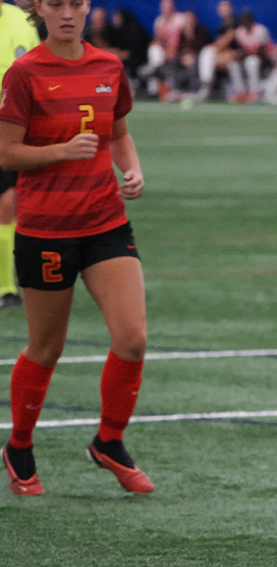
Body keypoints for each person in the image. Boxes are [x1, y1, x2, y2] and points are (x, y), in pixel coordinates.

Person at [0, 0, 153, 496]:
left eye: (77, 3)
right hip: (45, 230)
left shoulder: (109, 66)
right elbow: (5, 151)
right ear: (40, 10)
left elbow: (119, 133)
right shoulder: (24, 73)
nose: (68, 13)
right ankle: (19, 445)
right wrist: (59, 152)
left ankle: (109, 441)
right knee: (47, 348)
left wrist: (131, 169)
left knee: (132, 339)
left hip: (105, 225)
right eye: (57, 4)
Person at [0, 0, 40, 310]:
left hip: (9, 127)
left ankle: (7, 287)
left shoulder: (21, 20)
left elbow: (37, 70)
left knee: (9, 202)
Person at [140, 0, 185, 100]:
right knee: (154, 49)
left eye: (168, 7)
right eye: (164, 7)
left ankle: (154, 72)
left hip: (178, 53)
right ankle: (155, 83)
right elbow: (157, 41)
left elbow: (177, 43)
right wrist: (163, 52)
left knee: (160, 55)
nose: (166, 9)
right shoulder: (159, 21)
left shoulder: (180, 19)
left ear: (173, 7)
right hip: (164, 54)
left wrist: (168, 52)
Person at [164, 10, 212, 101]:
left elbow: (205, 48)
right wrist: (184, 56)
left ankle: (195, 91)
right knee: (174, 61)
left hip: (198, 58)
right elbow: (178, 48)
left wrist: (192, 55)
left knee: (195, 62)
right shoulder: (181, 33)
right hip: (183, 58)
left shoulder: (201, 31)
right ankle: (175, 90)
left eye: (190, 19)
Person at [228, 8, 272, 104]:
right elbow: (241, 49)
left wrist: (245, 52)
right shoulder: (240, 32)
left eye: (248, 20)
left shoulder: (261, 30)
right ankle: (241, 91)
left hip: (263, 59)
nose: (246, 22)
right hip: (246, 57)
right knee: (233, 64)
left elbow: (259, 50)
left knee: (251, 62)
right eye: (244, 20)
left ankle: (254, 92)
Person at [109, 7, 151, 91]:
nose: (115, 20)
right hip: (129, 59)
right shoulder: (117, 32)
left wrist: (121, 55)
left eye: (117, 18)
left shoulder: (134, 31)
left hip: (141, 59)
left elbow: (132, 52)